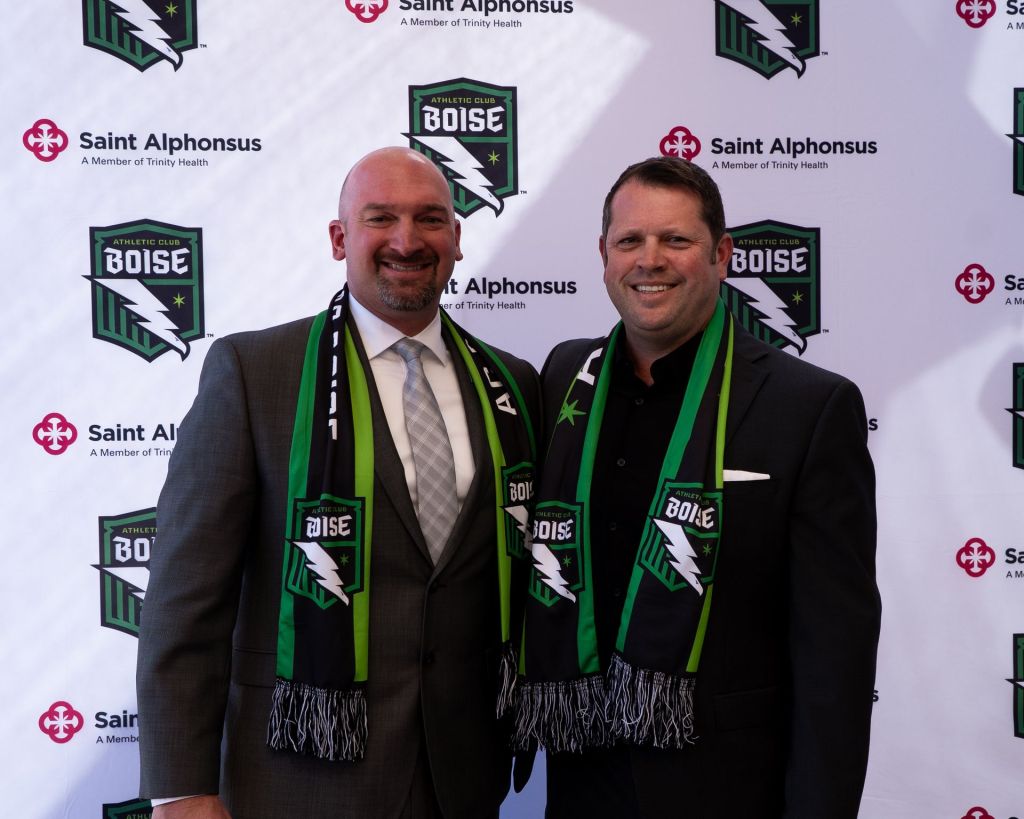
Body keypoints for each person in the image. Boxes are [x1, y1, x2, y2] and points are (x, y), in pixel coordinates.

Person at [137, 147, 539, 819]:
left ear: (456, 238)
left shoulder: (512, 384)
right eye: (380, 218)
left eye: (429, 219)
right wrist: (182, 789)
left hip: (463, 778)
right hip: (296, 780)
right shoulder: (254, 372)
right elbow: (186, 596)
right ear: (339, 238)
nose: (406, 240)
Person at [513, 156, 880, 818]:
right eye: (630, 240)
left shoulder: (809, 406)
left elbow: (835, 654)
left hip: (728, 784)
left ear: (722, 254)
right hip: (579, 778)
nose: (650, 259)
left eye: (676, 240)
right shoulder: (565, 374)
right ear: (604, 255)